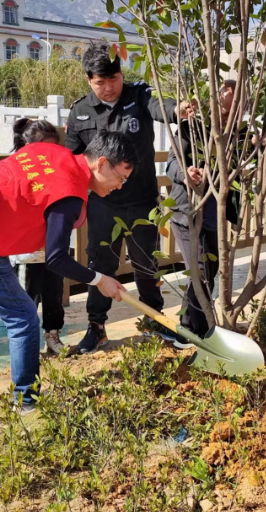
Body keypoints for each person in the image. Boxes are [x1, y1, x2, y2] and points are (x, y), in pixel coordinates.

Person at [0, 131, 133, 412]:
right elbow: (57, 259)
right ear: (102, 163)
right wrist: (99, 280)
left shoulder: (53, 153)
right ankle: (26, 402)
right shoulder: (70, 193)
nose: (121, 186)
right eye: (121, 178)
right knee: (23, 317)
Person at [65, 42, 193, 353]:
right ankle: (96, 327)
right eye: (101, 82)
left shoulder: (138, 96)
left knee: (145, 264)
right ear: (89, 80)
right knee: (100, 264)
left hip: (142, 201)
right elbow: (69, 159)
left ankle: (155, 322)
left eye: (114, 79)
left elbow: (161, 107)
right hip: (102, 204)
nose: (109, 88)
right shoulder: (80, 111)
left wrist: (179, 109)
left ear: (122, 74)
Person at [166, 80, 246, 345]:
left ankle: (195, 328)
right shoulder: (192, 129)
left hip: (216, 219)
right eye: (224, 103)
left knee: (209, 273)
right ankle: (191, 332)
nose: (228, 110)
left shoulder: (239, 135)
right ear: (213, 102)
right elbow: (171, 166)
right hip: (189, 213)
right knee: (198, 272)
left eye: (236, 105)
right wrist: (186, 174)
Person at [7, 118, 68, 355]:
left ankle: (53, 336)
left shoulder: (56, 167)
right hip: (26, 250)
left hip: (53, 247)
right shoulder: (14, 167)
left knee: (54, 295)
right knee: (26, 301)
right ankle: (25, 345)